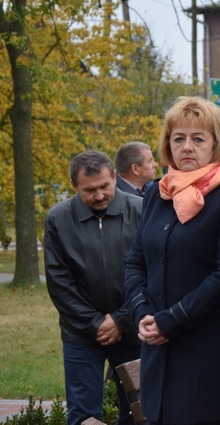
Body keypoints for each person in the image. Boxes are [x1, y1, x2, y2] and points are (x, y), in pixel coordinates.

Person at [124, 96, 220, 424]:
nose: (187, 147)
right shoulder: (157, 192)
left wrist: (171, 321)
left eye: (198, 139)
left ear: (215, 143)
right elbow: (136, 262)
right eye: (178, 138)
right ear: (167, 144)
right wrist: (144, 314)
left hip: (207, 355)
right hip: (158, 351)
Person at [44, 150, 142, 425]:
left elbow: (151, 272)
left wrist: (121, 319)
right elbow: (59, 282)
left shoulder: (141, 210)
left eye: (104, 186)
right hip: (82, 335)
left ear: (114, 177)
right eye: (89, 190)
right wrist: (96, 323)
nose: (99, 195)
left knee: (141, 413)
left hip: (134, 328)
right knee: (84, 416)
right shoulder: (57, 219)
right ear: (74, 186)